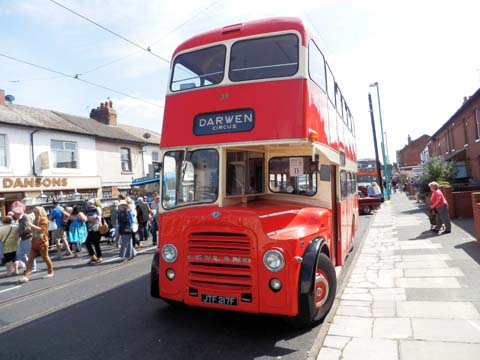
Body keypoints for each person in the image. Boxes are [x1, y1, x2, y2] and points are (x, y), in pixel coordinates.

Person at [18, 206, 54, 283]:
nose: (34, 213)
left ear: (40, 212)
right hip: (34, 241)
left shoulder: (43, 219)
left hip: (42, 241)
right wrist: (29, 229)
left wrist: (31, 225)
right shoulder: (35, 219)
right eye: (34, 211)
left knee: (45, 257)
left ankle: (50, 272)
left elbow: (42, 230)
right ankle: (26, 276)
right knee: (30, 259)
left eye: (36, 211)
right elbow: (34, 229)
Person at [13, 207, 35, 273]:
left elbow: (28, 229)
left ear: (17, 213)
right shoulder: (20, 219)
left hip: (27, 238)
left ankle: (33, 268)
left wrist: (19, 234)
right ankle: (29, 266)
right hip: (23, 238)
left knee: (29, 254)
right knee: (20, 253)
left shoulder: (25, 217)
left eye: (14, 213)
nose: (14, 215)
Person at [85, 199, 102, 264]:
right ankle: (93, 256)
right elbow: (86, 218)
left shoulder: (97, 208)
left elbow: (98, 216)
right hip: (90, 228)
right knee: (87, 242)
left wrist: (90, 218)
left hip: (96, 227)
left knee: (96, 243)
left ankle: (99, 257)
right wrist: (89, 219)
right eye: (89, 204)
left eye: (90, 203)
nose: (89, 205)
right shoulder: (87, 210)